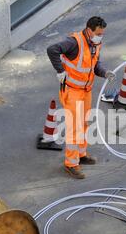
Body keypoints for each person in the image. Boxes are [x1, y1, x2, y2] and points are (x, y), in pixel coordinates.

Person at [47, 16, 116, 179]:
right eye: (98, 33)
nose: (101, 36)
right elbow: (52, 50)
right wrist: (60, 71)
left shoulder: (95, 43)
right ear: (89, 30)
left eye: (102, 34)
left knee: (84, 123)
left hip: (85, 91)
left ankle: (81, 154)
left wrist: (104, 72)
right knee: (73, 127)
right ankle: (71, 164)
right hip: (72, 91)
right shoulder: (74, 42)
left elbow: (94, 65)